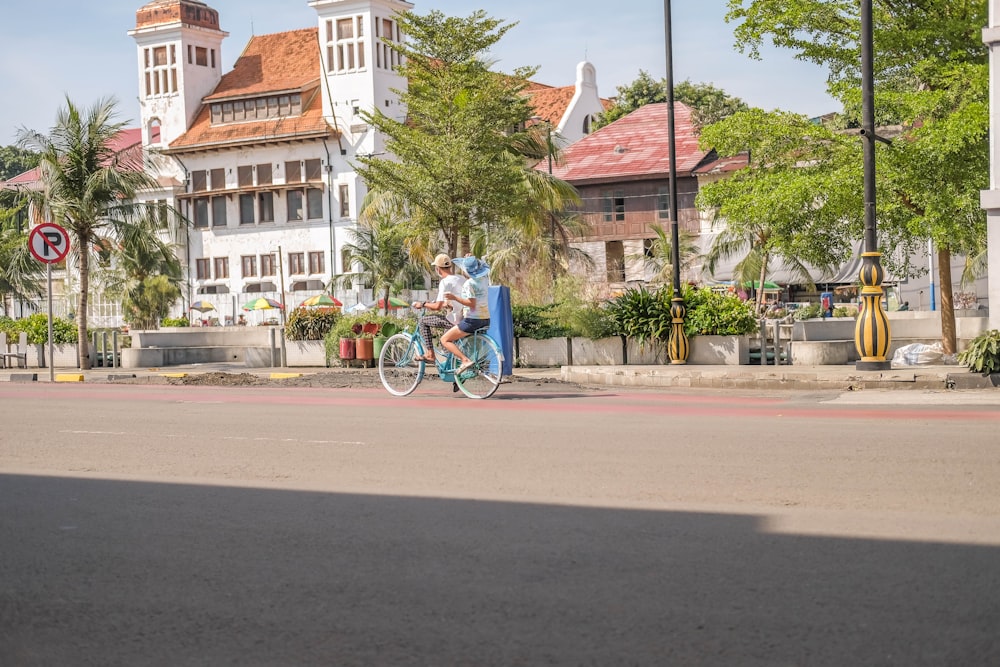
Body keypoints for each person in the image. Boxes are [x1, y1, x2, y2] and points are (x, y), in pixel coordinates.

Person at [411, 254, 466, 362]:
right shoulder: (461, 278)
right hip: (464, 317)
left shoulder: (444, 282)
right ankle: (453, 372)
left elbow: (437, 306)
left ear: (438, 269)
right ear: (450, 267)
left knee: (423, 321)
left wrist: (422, 304)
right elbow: (449, 301)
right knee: (446, 347)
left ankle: (430, 354)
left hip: (454, 320)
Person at [441, 255, 491, 372]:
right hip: (485, 318)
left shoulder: (469, 284)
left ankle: (465, 360)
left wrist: (454, 297)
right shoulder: (484, 279)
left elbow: (471, 303)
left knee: (445, 340)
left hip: (472, 320)